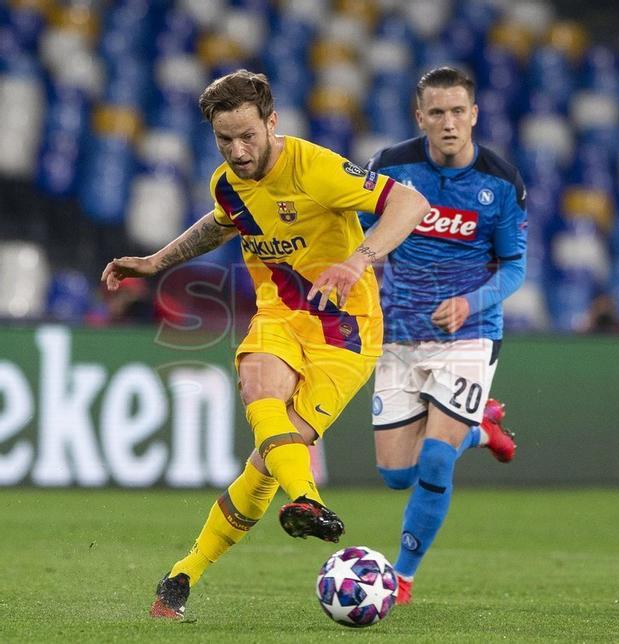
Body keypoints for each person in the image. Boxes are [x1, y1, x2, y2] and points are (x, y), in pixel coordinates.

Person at [101, 69, 429, 620]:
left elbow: (411, 203)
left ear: (272, 123)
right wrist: (157, 262)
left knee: (269, 458)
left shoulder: (317, 167)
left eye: (248, 136)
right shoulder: (226, 182)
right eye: (224, 139)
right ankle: (309, 500)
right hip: (280, 313)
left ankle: (185, 571)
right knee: (259, 384)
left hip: (346, 332)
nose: (237, 149)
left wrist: (357, 261)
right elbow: (223, 221)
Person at [358, 67, 527, 604]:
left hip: (470, 333)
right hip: (399, 334)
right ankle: (480, 429)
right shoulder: (390, 167)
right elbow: (363, 241)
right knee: (396, 475)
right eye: (437, 112)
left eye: (458, 111)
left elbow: (515, 268)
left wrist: (469, 302)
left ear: (474, 114)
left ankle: (402, 578)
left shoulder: (500, 181)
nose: (449, 123)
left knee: (434, 460)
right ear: (420, 117)